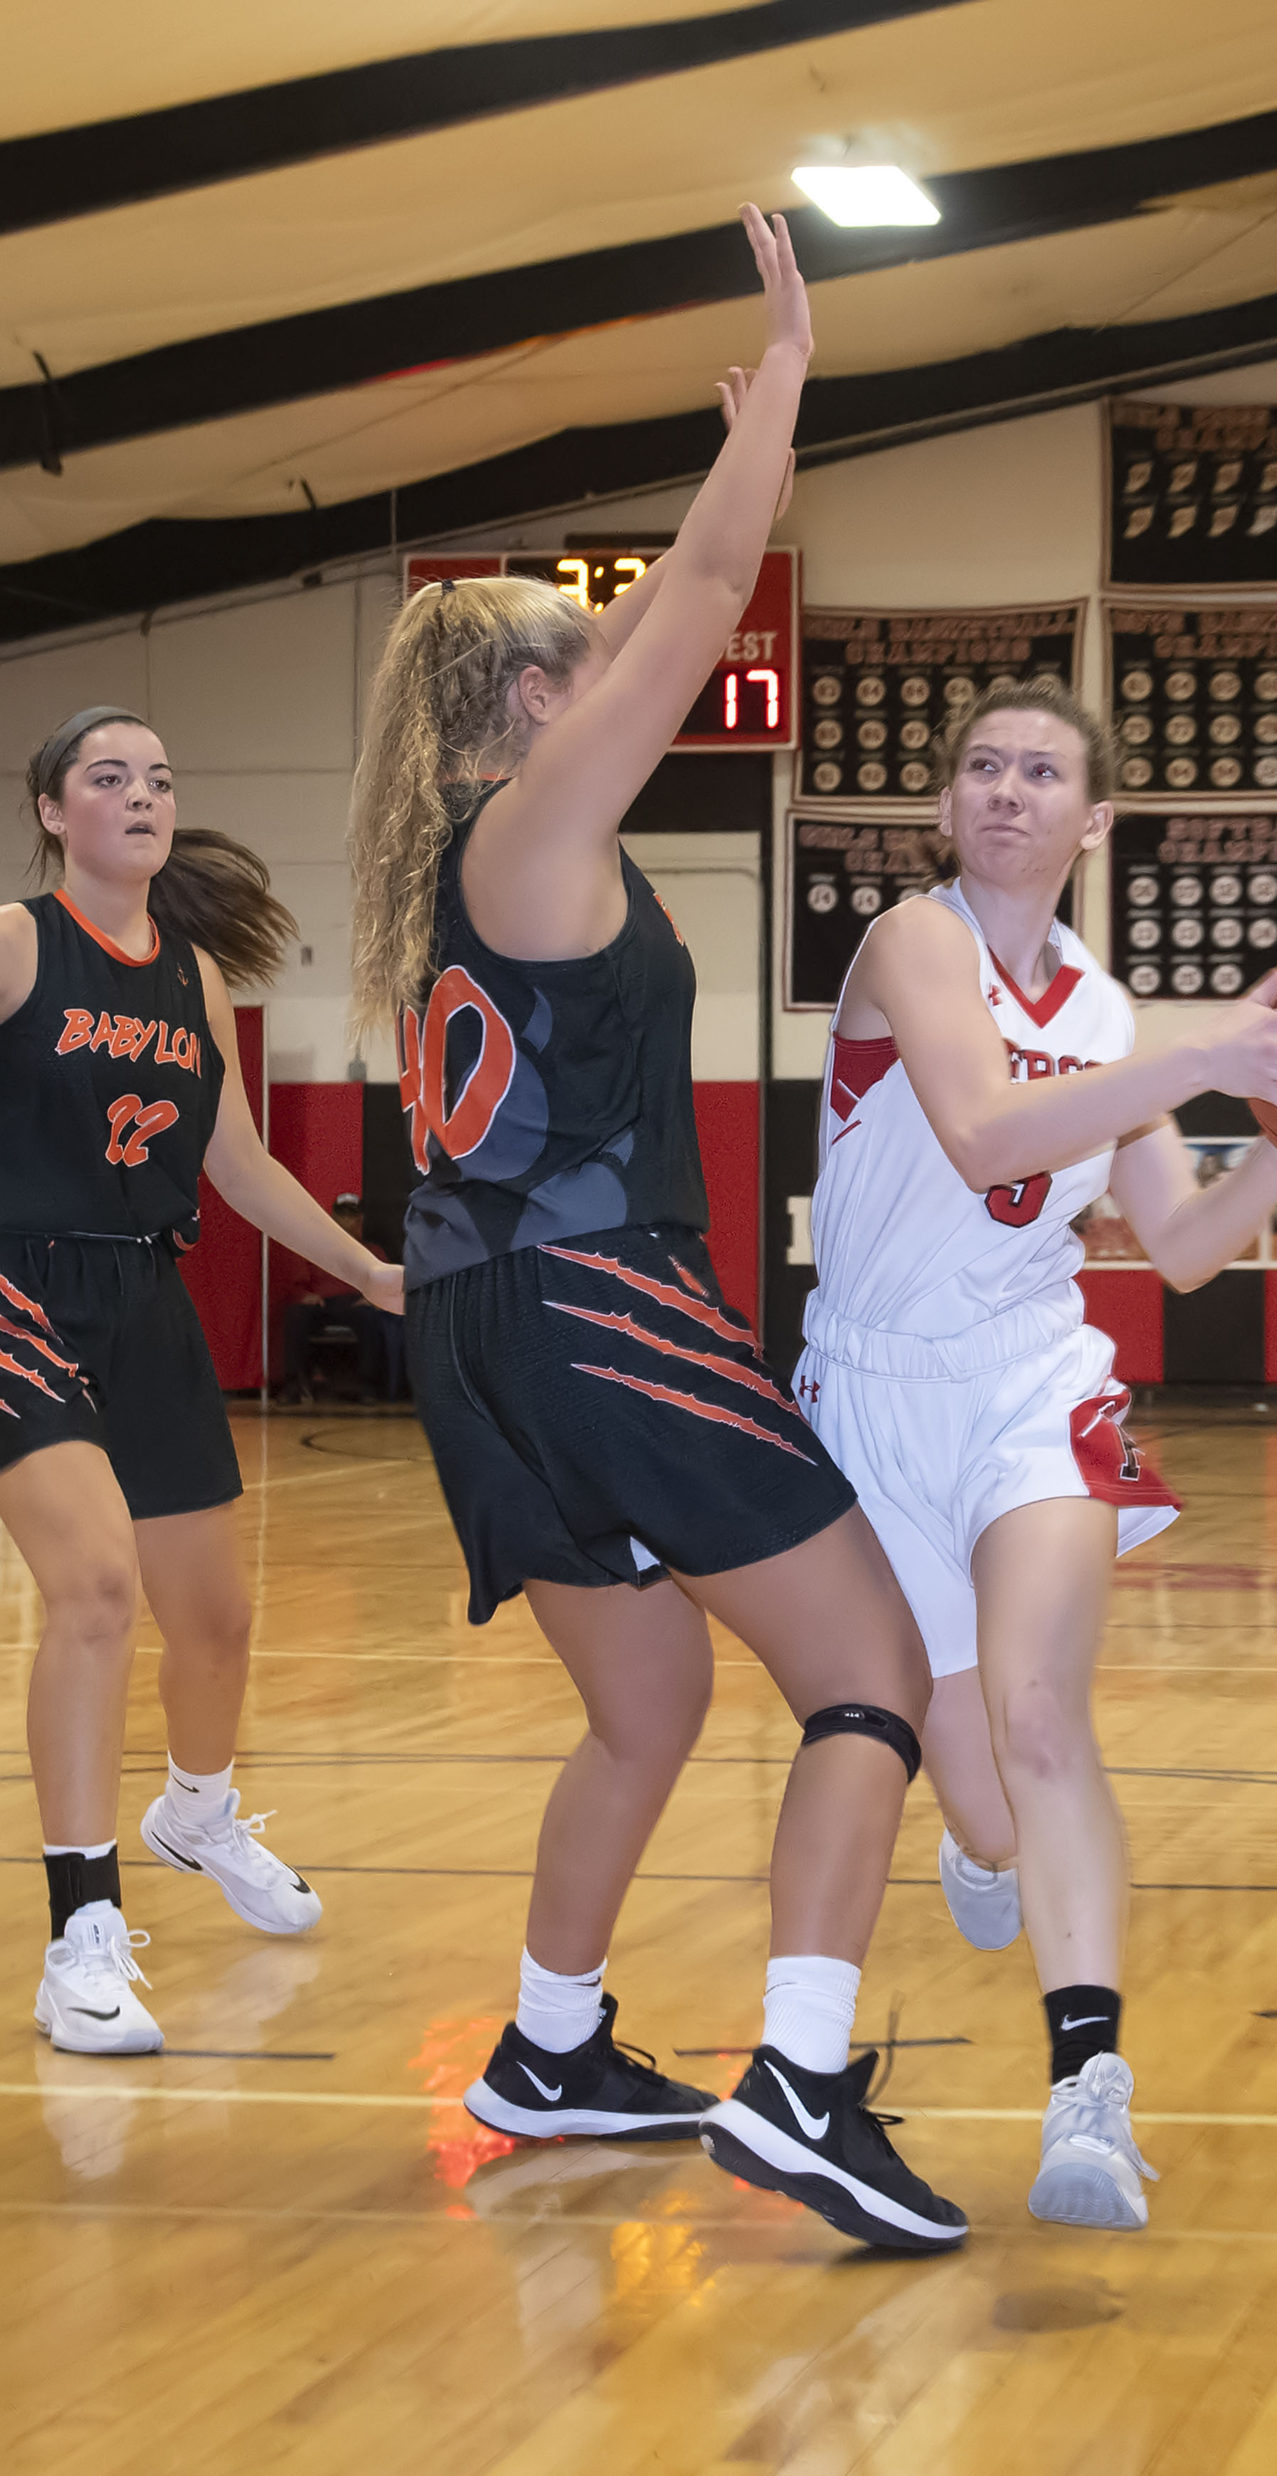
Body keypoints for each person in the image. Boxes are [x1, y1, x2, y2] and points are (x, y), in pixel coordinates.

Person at [348, 205, 964, 2253]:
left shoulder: (468, 865)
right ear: (529, 697)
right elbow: (707, 578)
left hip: (477, 1319)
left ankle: (546, 2041)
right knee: (865, 1671)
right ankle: (798, 2081)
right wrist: (783, 373)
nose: (612, 672)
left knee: (649, 1704)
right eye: (576, 655)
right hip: (595, 1304)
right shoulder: (536, 828)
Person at [795, 674, 1277, 2228]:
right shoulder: (909, 943)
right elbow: (984, 1134)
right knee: (983, 1796)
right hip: (867, 1395)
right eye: (980, 766)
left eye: (1041, 772)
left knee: (1045, 1717)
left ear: (1091, 819)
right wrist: (1205, 1062)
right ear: (942, 806)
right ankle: (983, 1847)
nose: (1004, 790)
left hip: (1027, 1378)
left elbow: (1177, 1245)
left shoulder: (1111, 1015)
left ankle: (1087, 2097)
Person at [0, 707, 406, 2055]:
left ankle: (196, 1813)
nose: (141, 796)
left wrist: (375, 1274)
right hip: (19, 1286)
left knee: (217, 1621)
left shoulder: (195, 980)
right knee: (97, 1591)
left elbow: (238, 1170)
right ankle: (80, 1937)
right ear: (54, 811)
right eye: (108, 778)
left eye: (160, 779)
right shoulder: (18, 942)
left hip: (146, 1297)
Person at [279, 1193, 408, 1402]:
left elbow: (387, 1282)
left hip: (354, 1302)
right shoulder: (316, 1250)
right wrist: (305, 1296)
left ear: (360, 1220)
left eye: (351, 1216)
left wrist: (374, 1299)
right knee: (296, 1315)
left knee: (370, 1318)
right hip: (321, 1303)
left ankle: (368, 1387)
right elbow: (296, 1285)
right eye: (342, 1216)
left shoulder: (372, 1251)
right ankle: (295, 1384)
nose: (347, 1222)